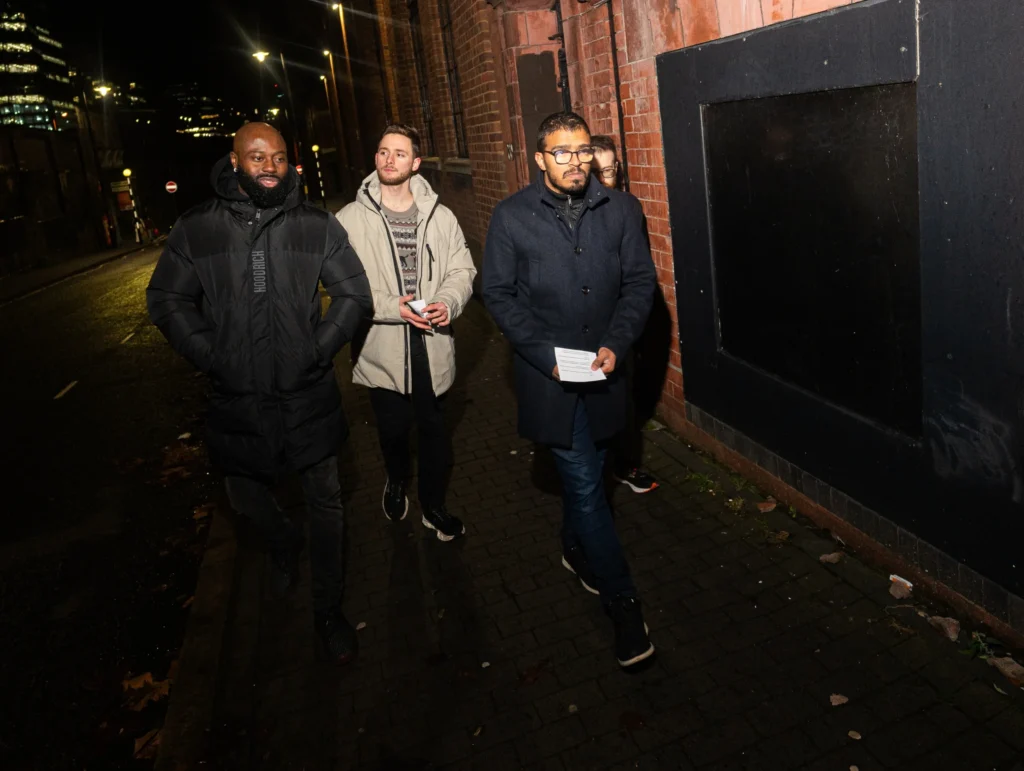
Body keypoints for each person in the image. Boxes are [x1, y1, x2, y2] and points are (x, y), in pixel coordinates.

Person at [146, 123, 372, 664]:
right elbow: (166, 300)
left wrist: (317, 351)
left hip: (307, 394)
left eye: (277, 156)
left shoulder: (316, 225)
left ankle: (327, 611)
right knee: (245, 497)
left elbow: (353, 294)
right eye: (256, 157)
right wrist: (213, 355)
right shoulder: (197, 227)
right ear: (235, 161)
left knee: (328, 505)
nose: (268, 165)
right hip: (237, 397)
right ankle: (282, 540)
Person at [482, 112, 657, 668]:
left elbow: (638, 283)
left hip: (606, 374)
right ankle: (623, 605)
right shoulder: (511, 218)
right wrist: (545, 356)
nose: (576, 161)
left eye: (583, 150)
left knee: (595, 474)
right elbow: (499, 294)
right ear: (540, 159)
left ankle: (573, 546)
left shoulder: (622, 210)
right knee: (584, 486)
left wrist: (617, 342)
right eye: (563, 153)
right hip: (549, 381)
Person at [337, 124, 476, 540]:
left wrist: (448, 303)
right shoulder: (348, 219)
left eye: (399, 153)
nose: (388, 160)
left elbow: (462, 270)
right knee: (393, 431)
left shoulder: (441, 215)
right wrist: (391, 307)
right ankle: (396, 479)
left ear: (415, 163)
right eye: (382, 152)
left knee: (435, 435)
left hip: (431, 343)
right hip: (382, 346)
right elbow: (342, 287)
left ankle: (433, 507)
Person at [590, 135, 659, 495]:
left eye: (611, 170)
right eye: (596, 171)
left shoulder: (628, 208)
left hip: (621, 324)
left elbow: (639, 274)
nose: (605, 178)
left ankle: (625, 465)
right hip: (585, 325)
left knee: (624, 399)